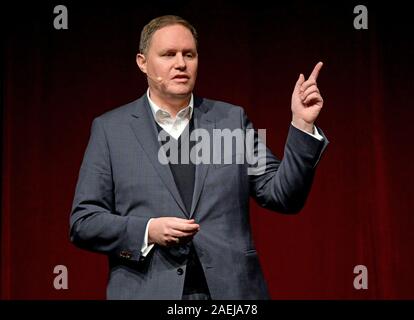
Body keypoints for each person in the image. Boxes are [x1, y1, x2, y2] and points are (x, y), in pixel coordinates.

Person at [70, 15, 329, 300]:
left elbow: (283, 196)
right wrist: (147, 230)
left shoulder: (231, 120)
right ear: (142, 62)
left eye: (189, 54)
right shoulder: (111, 129)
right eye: (168, 54)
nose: (180, 63)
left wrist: (301, 125)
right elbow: (84, 222)